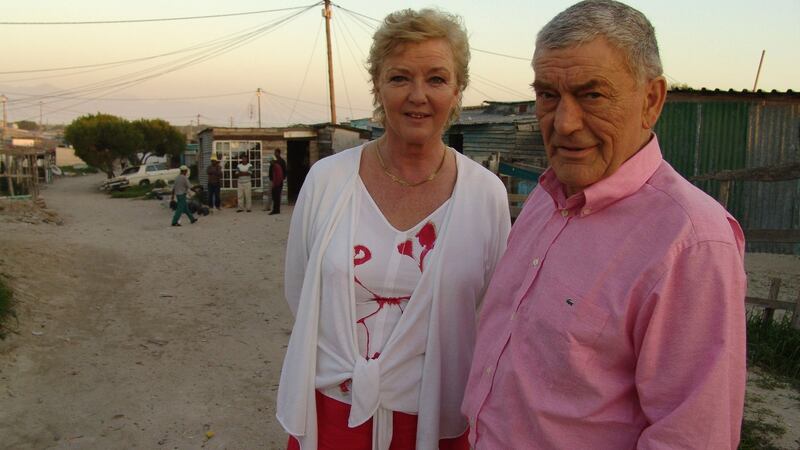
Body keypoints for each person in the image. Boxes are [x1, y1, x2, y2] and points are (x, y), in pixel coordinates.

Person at [462, 1, 747, 448]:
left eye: (591, 95)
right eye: (548, 95)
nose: (564, 123)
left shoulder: (692, 242)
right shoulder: (546, 197)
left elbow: (692, 437)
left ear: (651, 100)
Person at [277, 8, 511, 450]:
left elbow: (485, 312)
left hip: (435, 421)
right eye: (400, 77)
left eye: (437, 79)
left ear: (457, 90)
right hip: (330, 418)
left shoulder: (486, 195)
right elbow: (300, 288)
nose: (417, 96)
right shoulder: (327, 181)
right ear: (378, 86)